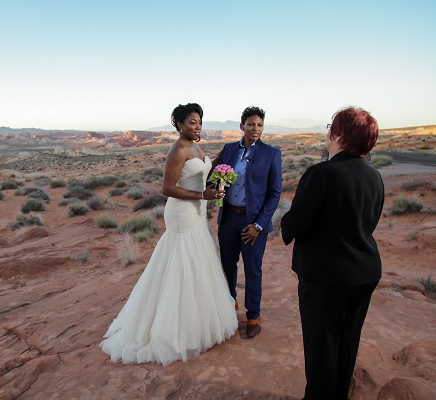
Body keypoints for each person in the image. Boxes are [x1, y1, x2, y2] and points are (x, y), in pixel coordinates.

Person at [100, 103, 238, 365]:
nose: (197, 127)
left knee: (199, 262)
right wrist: (202, 195)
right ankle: (174, 330)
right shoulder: (178, 149)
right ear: (179, 125)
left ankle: (198, 323)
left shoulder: (195, 146)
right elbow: (167, 188)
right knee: (182, 263)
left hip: (197, 212)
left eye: (199, 122)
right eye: (192, 123)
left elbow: (202, 172)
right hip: (181, 212)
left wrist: (220, 164)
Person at [281, 106, 384, 399]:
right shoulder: (375, 176)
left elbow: (297, 224)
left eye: (331, 127)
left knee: (321, 346)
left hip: (327, 277)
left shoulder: (321, 173)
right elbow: (369, 221)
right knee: (347, 341)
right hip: (364, 273)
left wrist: (285, 222)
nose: (328, 132)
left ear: (339, 135)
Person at [212, 106, 282, 338]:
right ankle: (229, 306)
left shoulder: (271, 154)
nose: (256, 128)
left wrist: (259, 225)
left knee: (253, 270)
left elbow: (274, 193)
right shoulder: (230, 149)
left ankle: (254, 315)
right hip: (228, 218)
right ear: (241, 126)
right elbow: (215, 174)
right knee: (227, 265)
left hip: (253, 222)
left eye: (260, 125)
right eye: (251, 124)